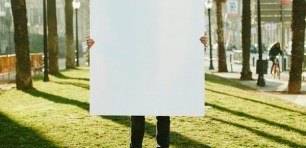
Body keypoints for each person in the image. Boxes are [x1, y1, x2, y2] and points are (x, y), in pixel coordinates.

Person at [86, 35, 170, 148]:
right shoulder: (134, 29)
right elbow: (120, 47)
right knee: (138, 115)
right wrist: (97, 45)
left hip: (161, 74)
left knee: (163, 115)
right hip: (138, 75)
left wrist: (197, 44)